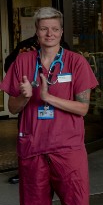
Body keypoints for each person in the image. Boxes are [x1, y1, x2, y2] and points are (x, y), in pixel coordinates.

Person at [0, 7, 101, 205]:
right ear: (37, 30)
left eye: (55, 29)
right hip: (32, 147)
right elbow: (12, 108)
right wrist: (24, 96)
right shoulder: (21, 61)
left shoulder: (76, 62)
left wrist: (47, 97)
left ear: (61, 31)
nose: (50, 34)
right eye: (44, 28)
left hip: (68, 149)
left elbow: (83, 108)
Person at [3, 34, 71, 185]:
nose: (48, 33)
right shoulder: (24, 45)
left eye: (52, 28)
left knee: (55, 135)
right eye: (43, 28)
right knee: (27, 135)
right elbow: (7, 65)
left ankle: (56, 170)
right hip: (30, 97)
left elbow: (67, 67)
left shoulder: (62, 45)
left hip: (53, 97)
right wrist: (19, 59)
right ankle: (25, 171)